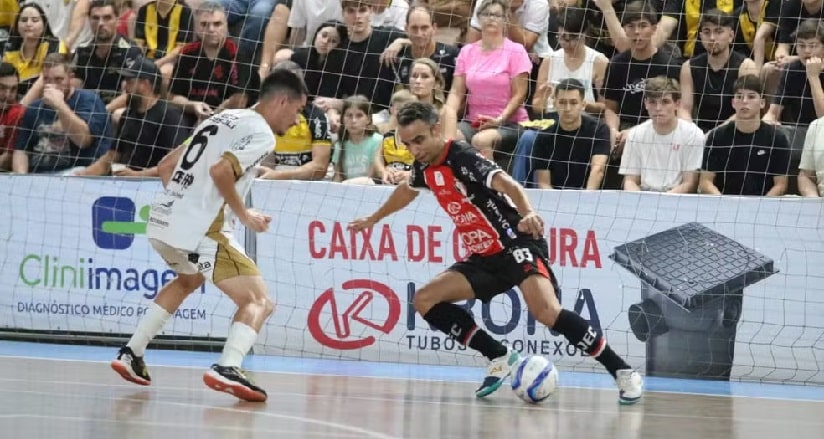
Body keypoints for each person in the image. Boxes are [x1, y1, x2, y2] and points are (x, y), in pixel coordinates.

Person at [348, 101, 644, 404]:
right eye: (407, 143)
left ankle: (622, 372)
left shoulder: (461, 156)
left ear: (436, 130)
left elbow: (509, 184)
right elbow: (406, 191)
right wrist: (373, 219)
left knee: (547, 312)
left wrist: (528, 213)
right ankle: (500, 356)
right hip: (484, 257)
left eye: (419, 140)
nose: (414, 149)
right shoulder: (424, 164)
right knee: (424, 299)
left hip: (516, 244)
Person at [110, 68, 309, 403]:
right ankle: (228, 366)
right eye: (298, 111)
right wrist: (244, 214)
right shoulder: (262, 134)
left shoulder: (224, 117)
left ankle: (132, 352)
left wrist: (184, 207)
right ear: (282, 100)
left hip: (163, 220)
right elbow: (220, 172)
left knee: (188, 281)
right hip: (202, 229)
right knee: (259, 301)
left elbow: (166, 167)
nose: (296, 121)